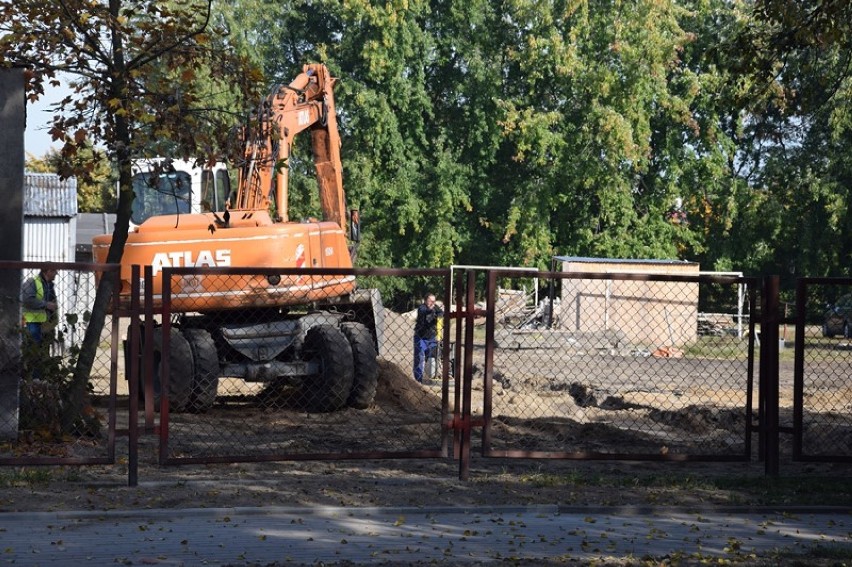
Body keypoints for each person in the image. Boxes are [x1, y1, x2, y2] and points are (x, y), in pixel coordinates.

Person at [21, 267, 58, 346]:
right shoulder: (32, 282)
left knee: (42, 349)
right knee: (34, 347)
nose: (56, 273)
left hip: (45, 323)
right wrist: (46, 305)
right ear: (48, 271)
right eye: (54, 271)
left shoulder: (49, 286)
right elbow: (28, 300)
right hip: (31, 322)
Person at [413, 293, 443, 383]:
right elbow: (425, 312)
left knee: (432, 358)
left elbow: (441, 313)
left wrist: (439, 314)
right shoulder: (422, 308)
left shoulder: (435, 307)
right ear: (425, 301)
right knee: (420, 358)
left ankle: (431, 377)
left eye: (434, 301)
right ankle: (419, 379)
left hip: (432, 337)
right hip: (421, 337)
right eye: (430, 301)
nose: (432, 303)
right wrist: (432, 310)